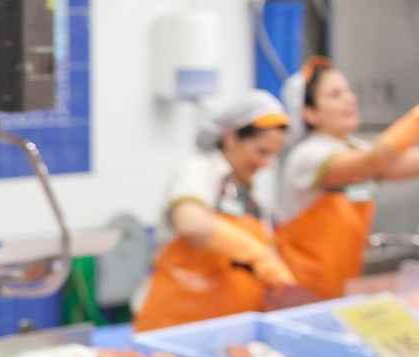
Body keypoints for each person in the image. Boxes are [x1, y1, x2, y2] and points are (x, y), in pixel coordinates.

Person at [133, 90, 294, 332]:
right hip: (176, 326)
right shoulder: (200, 170)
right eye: (261, 152)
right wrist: (257, 255)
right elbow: (190, 223)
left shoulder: (252, 196)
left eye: (272, 155)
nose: (265, 164)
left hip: (225, 330)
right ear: (230, 138)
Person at [276, 56, 419, 299]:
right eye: (335, 95)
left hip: (338, 287)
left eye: (348, 91)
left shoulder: (351, 148)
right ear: (309, 113)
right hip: (301, 292)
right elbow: (373, 162)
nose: (349, 99)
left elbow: (401, 164)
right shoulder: (307, 155)